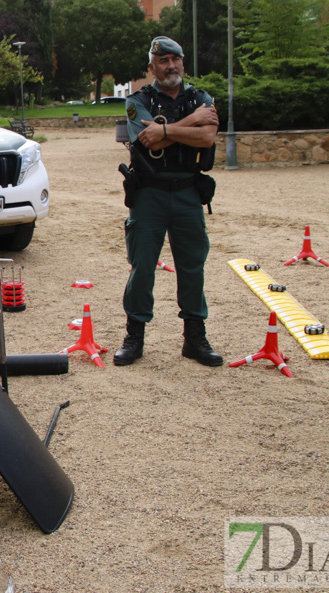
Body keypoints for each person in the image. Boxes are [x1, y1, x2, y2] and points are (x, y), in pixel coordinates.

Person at [114, 36, 223, 367]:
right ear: (152, 67)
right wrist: (190, 123)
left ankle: (194, 338)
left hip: (189, 193)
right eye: (163, 61)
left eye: (175, 59)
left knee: (192, 266)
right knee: (143, 266)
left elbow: (207, 136)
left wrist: (166, 131)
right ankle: (135, 336)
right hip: (149, 195)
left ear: (182, 63)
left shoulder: (201, 98)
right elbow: (144, 136)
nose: (171, 66)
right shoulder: (138, 100)